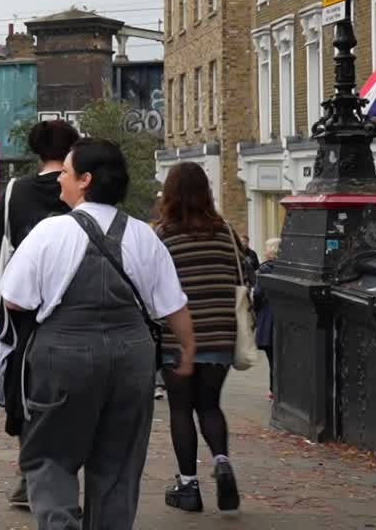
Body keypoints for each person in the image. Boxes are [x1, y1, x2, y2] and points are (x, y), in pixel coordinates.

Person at [0, 138, 196, 529]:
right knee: (119, 464)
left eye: (66, 174)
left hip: (64, 356)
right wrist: (188, 348)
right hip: (132, 359)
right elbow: (174, 306)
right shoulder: (144, 235)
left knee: (52, 457)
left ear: (85, 180)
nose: (60, 182)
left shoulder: (49, 232)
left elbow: (14, 300)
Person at [0, 118, 79, 508]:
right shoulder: (82, 189)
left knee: (25, 390)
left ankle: (28, 475)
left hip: (25, 310)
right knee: (75, 395)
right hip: (74, 303)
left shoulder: (14, 192)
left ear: (36, 149)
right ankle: (66, 476)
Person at [155, 161, 245, 514]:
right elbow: (243, 271)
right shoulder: (225, 232)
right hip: (221, 333)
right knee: (209, 405)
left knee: (181, 409)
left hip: (178, 337)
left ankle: (188, 486)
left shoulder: (164, 235)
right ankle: (221, 461)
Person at [253, 238, 279, 397]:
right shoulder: (288, 268)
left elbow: (258, 293)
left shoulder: (264, 269)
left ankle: (274, 388)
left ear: (271, 251)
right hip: (285, 318)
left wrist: (255, 309)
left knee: (272, 357)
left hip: (269, 316)